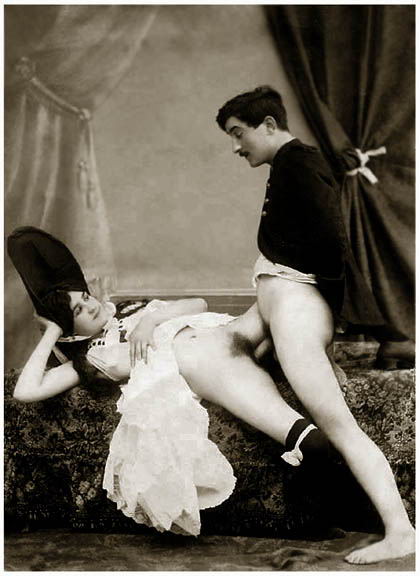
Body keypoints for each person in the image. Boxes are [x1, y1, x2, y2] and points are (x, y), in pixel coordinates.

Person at [8, 226, 331, 537]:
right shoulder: (90, 357)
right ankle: (314, 489)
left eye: (85, 297)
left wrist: (150, 320)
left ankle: (293, 345)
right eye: (78, 310)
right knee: (311, 442)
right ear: (69, 331)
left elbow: (199, 304)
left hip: (225, 330)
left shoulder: (131, 310)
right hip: (207, 365)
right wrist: (51, 331)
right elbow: (26, 391)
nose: (90, 306)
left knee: (285, 289)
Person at [216, 86, 415, 564]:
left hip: (296, 314)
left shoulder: (300, 162)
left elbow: (332, 245)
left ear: (269, 125)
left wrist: (327, 333)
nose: (236, 146)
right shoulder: (289, 164)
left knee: (340, 427)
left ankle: (401, 531)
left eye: (239, 133)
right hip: (287, 315)